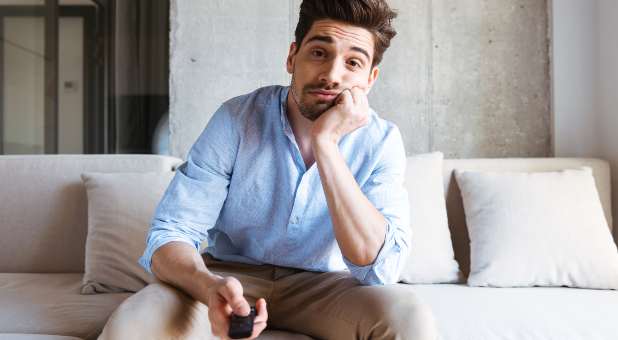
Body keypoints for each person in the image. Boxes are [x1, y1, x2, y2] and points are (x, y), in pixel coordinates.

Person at [100, 1, 438, 339]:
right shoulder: (236, 119)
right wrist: (209, 286)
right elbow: (168, 236)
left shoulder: (382, 141)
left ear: (370, 78)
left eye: (352, 62)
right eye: (319, 53)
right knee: (131, 326)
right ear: (293, 57)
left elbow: (379, 267)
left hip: (326, 287)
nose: (332, 75)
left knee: (409, 320)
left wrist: (326, 145)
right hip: (230, 276)